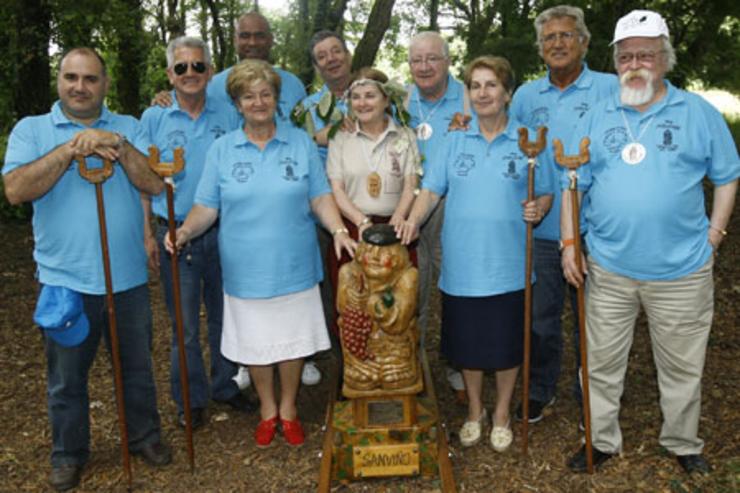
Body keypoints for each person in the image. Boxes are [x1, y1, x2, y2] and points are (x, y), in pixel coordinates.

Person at [561, 10, 738, 474]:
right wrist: (568, 243)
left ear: (665, 59)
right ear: (616, 61)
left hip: (681, 269)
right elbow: (572, 184)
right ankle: (599, 440)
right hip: (609, 266)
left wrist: (714, 234)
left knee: (682, 365)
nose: (636, 63)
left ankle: (683, 442)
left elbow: (727, 175)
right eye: (626, 56)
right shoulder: (597, 116)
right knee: (598, 363)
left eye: (646, 54)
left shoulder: (697, 112)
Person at [2, 48, 170, 491]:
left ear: (105, 84)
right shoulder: (32, 130)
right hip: (64, 281)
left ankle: (144, 437)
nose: (80, 87)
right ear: (59, 80)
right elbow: (16, 190)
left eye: (90, 78)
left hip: (127, 277)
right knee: (65, 378)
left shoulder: (129, 127)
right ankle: (68, 453)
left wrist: (117, 144)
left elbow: (155, 183)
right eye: (71, 77)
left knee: (135, 368)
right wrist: (70, 149)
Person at [165, 59, 356, 448]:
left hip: (294, 263)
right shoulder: (222, 149)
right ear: (237, 104)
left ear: (276, 99)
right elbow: (207, 206)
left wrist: (337, 228)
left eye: (265, 94)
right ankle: (267, 409)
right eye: (249, 96)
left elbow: (320, 196)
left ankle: (289, 408)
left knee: (292, 341)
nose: (258, 102)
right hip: (243, 266)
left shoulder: (300, 143)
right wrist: (183, 230)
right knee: (256, 342)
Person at [397, 56, 554, 452]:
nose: (482, 93)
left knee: (506, 346)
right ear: (468, 95)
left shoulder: (529, 141)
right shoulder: (454, 139)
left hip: (509, 264)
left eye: (491, 85)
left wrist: (540, 208)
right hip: (464, 264)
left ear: (507, 93)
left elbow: (547, 191)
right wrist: (413, 222)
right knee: (467, 345)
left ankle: (501, 413)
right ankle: (474, 413)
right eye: (475, 86)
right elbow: (431, 190)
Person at [509, 4, 618, 424]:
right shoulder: (525, 96)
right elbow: (511, 152)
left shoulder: (610, 88)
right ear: (540, 49)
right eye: (549, 38)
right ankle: (539, 389)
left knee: (597, 319)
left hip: (599, 229)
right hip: (542, 230)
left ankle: (592, 391)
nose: (557, 43)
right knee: (540, 319)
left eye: (565, 35)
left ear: (584, 42)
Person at [140, 36, 254, 430]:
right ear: (171, 74)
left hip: (226, 232)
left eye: (199, 66)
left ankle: (225, 384)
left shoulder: (228, 113)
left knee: (225, 317)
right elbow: (142, 179)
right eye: (182, 67)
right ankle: (189, 398)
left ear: (210, 72)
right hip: (174, 233)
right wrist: (147, 234)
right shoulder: (153, 118)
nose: (191, 74)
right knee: (184, 327)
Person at [326, 67, 420, 332]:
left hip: (395, 228)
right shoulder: (340, 137)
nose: (362, 103)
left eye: (370, 95)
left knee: (395, 303)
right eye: (356, 97)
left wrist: (396, 221)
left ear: (386, 99)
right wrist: (362, 221)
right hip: (354, 229)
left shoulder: (405, 135)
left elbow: (411, 184)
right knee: (353, 304)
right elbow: (337, 189)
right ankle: (354, 367)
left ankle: (398, 366)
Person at [406, 31, 469, 393]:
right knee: (413, 283)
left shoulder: (468, 98)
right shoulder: (401, 99)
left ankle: (459, 361)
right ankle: (412, 358)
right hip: (410, 203)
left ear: (447, 62)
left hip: (455, 203)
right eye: (417, 60)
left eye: (432, 59)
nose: (424, 67)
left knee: (456, 282)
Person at [208, 11, 306, 122]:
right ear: (235, 41)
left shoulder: (293, 85)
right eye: (245, 36)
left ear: (270, 40)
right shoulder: (214, 87)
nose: (252, 43)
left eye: (260, 36)